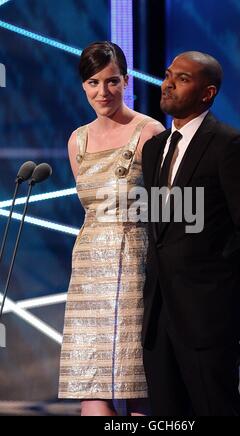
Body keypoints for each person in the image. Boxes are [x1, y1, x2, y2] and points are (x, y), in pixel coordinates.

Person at [141, 51, 240, 416]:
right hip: (158, 315)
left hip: (208, 315)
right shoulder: (154, 148)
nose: (168, 83)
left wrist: (231, 302)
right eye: (168, 74)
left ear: (208, 93)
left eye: (182, 78)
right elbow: (159, 229)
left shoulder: (230, 145)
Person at [58, 41, 164, 416]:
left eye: (112, 81)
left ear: (126, 80)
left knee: (138, 387)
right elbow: (89, 207)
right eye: (92, 83)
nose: (102, 92)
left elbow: (167, 208)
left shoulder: (149, 132)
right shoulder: (77, 140)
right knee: (92, 384)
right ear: (83, 86)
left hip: (134, 265)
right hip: (87, 271)